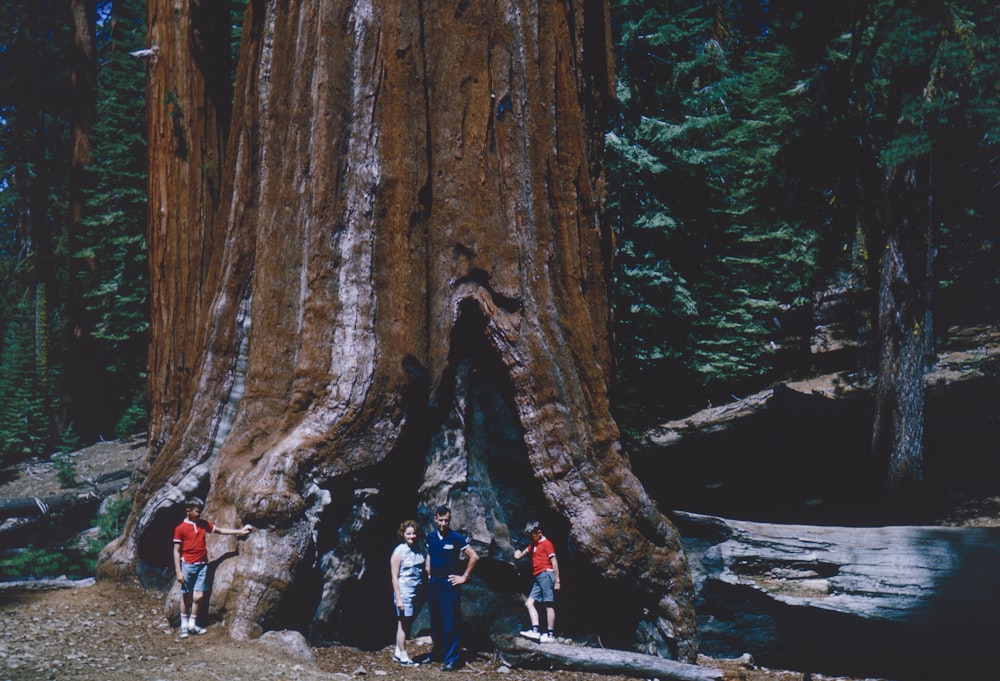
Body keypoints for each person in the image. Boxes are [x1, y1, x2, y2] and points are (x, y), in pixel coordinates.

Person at [172, 496, 253, 638]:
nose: (200, 514)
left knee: (199, 596)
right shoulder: (180, 529)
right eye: (197, 511)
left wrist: (240, 531)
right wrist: (178, 571)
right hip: (188, 565)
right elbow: (176, 550)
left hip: (202, 565)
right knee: (186, 595)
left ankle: (192, 624)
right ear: (188, 511)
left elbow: (220, 530)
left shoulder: (203, 524)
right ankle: (184, 625)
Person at [418, 505, 478, 671]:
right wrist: (428, 572)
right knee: (436, 621)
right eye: (441, 520)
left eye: (447, 520)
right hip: (434, 584)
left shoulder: (456, 537)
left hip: (449, 585)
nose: (444, 523)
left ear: (449, 520)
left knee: (450, 622)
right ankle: (437, 653)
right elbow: (430, 554)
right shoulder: (431, 536)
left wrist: (464, 577)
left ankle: (452, 658)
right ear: (435, 519)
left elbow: (474, 556)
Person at [514, 520, 560, 643]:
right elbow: (521, 554)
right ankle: (535, 631)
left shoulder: (547, 544)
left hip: (546, 574)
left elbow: (554, 561)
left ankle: (550, 635)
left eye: (532, 535)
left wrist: (557, 580)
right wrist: (517, 553)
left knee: (548, 603)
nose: (531, 538)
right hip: (538, 576)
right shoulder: (533, 544)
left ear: (539, 532)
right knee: (529, 603)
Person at [390, 519, 425, 666]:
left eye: (414, 533)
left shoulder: (419, 549)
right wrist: (398, 598)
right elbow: (394, 576)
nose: (412, 536)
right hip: (404, 592)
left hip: (416, 591)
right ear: (403, 534)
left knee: (405, 623)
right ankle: (404, 657)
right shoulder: (399, 551)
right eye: (408, 533)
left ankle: (398, 652)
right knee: (403, 625)